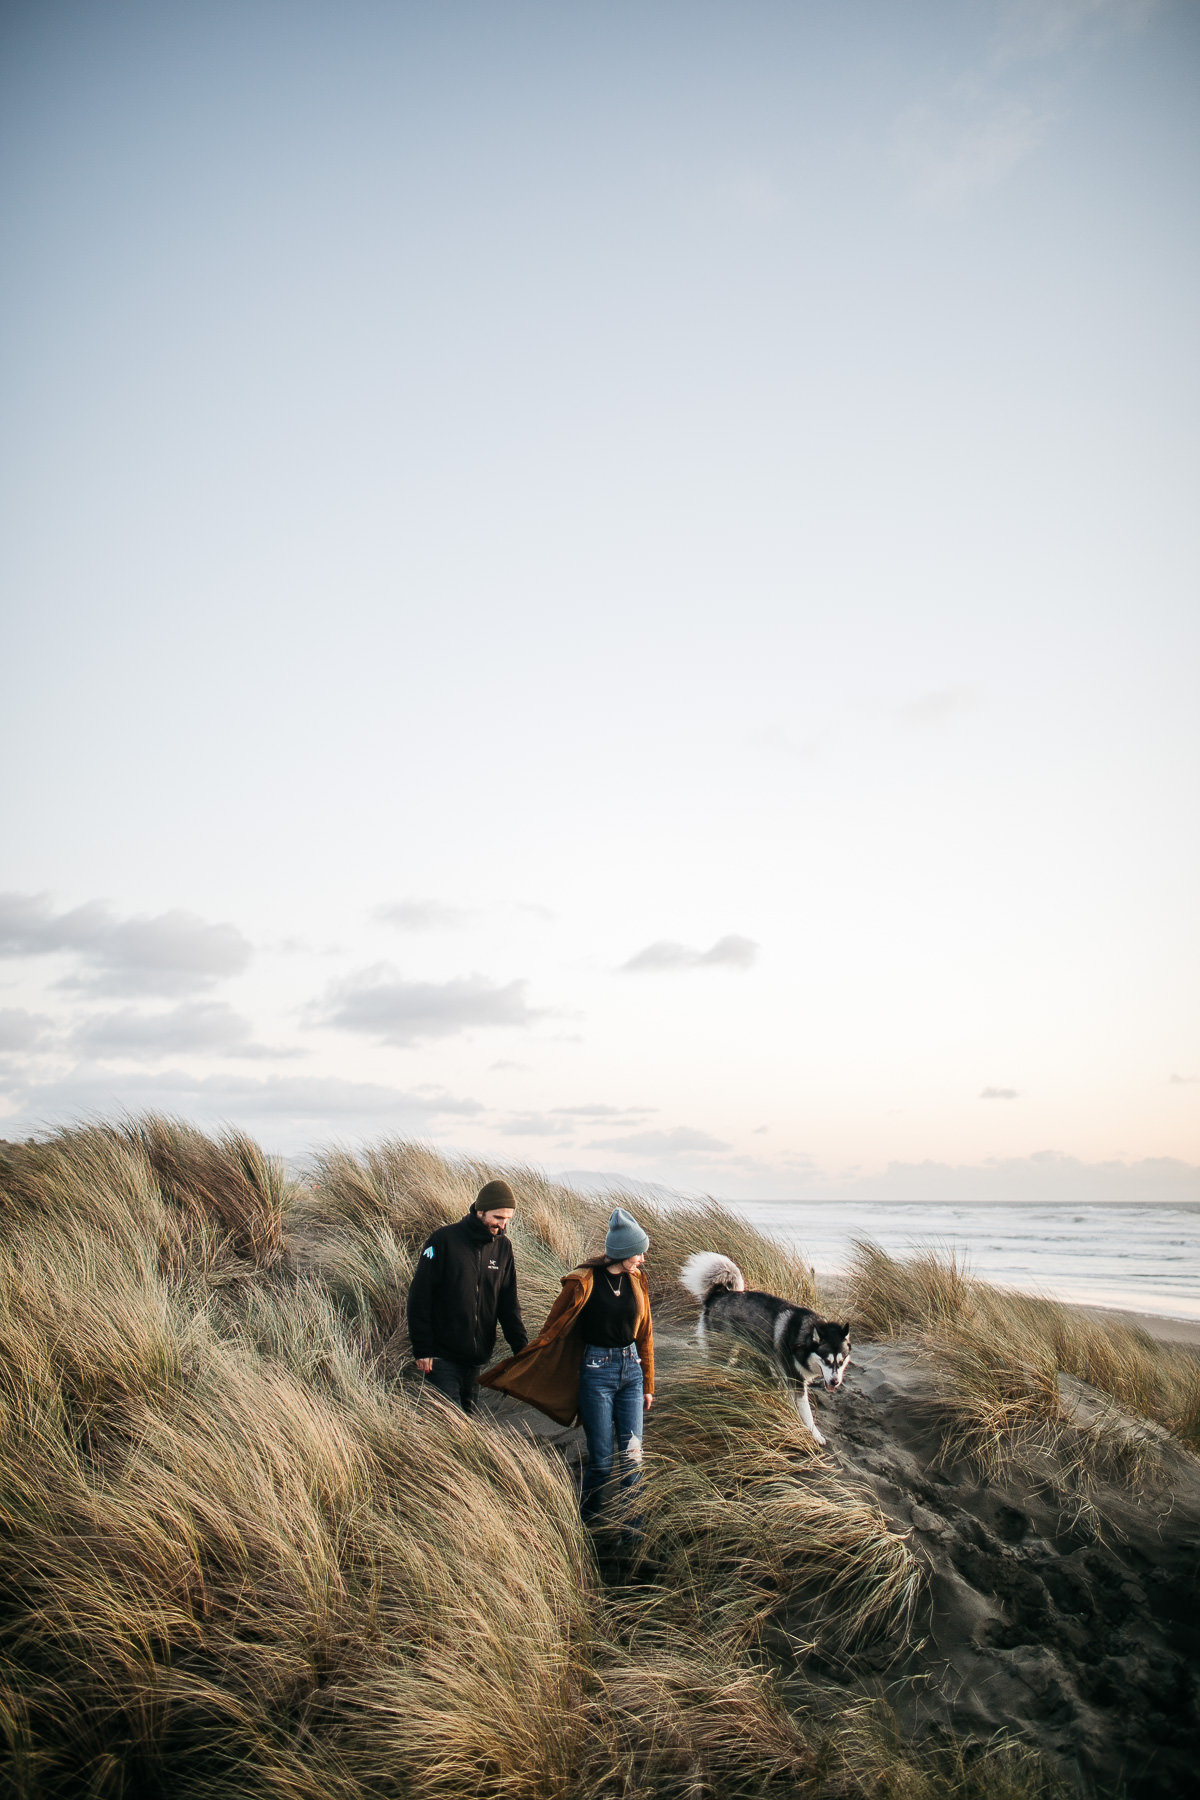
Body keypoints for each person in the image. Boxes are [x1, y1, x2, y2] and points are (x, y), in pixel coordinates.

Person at [480, 1207, 654, 1538]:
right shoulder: (582, 1282)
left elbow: (645, 1335)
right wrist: (530, 1362)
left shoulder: (637, 1281)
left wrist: (648, 1384)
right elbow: (553, 1331)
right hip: (596, 1373)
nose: (642, 1259)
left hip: (631, 1371)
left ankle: (632, 1536)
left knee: (633, 1458)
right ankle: (586, 1527)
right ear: (620, 1251)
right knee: (602, 1461)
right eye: (638, 1252)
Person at [407, 1179, 528, 1413]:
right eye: (498, 1218)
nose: (502, 1226)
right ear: (480, 1211)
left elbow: (508, 1304)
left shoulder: (503, 1248)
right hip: (441, 1358)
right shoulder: (443, 1240)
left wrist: (521, 1351)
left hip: (476, 1360)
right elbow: (419, 1297)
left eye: (507, 1220)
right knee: (448, 1429)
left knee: (467, 1427)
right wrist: (422, 1349)